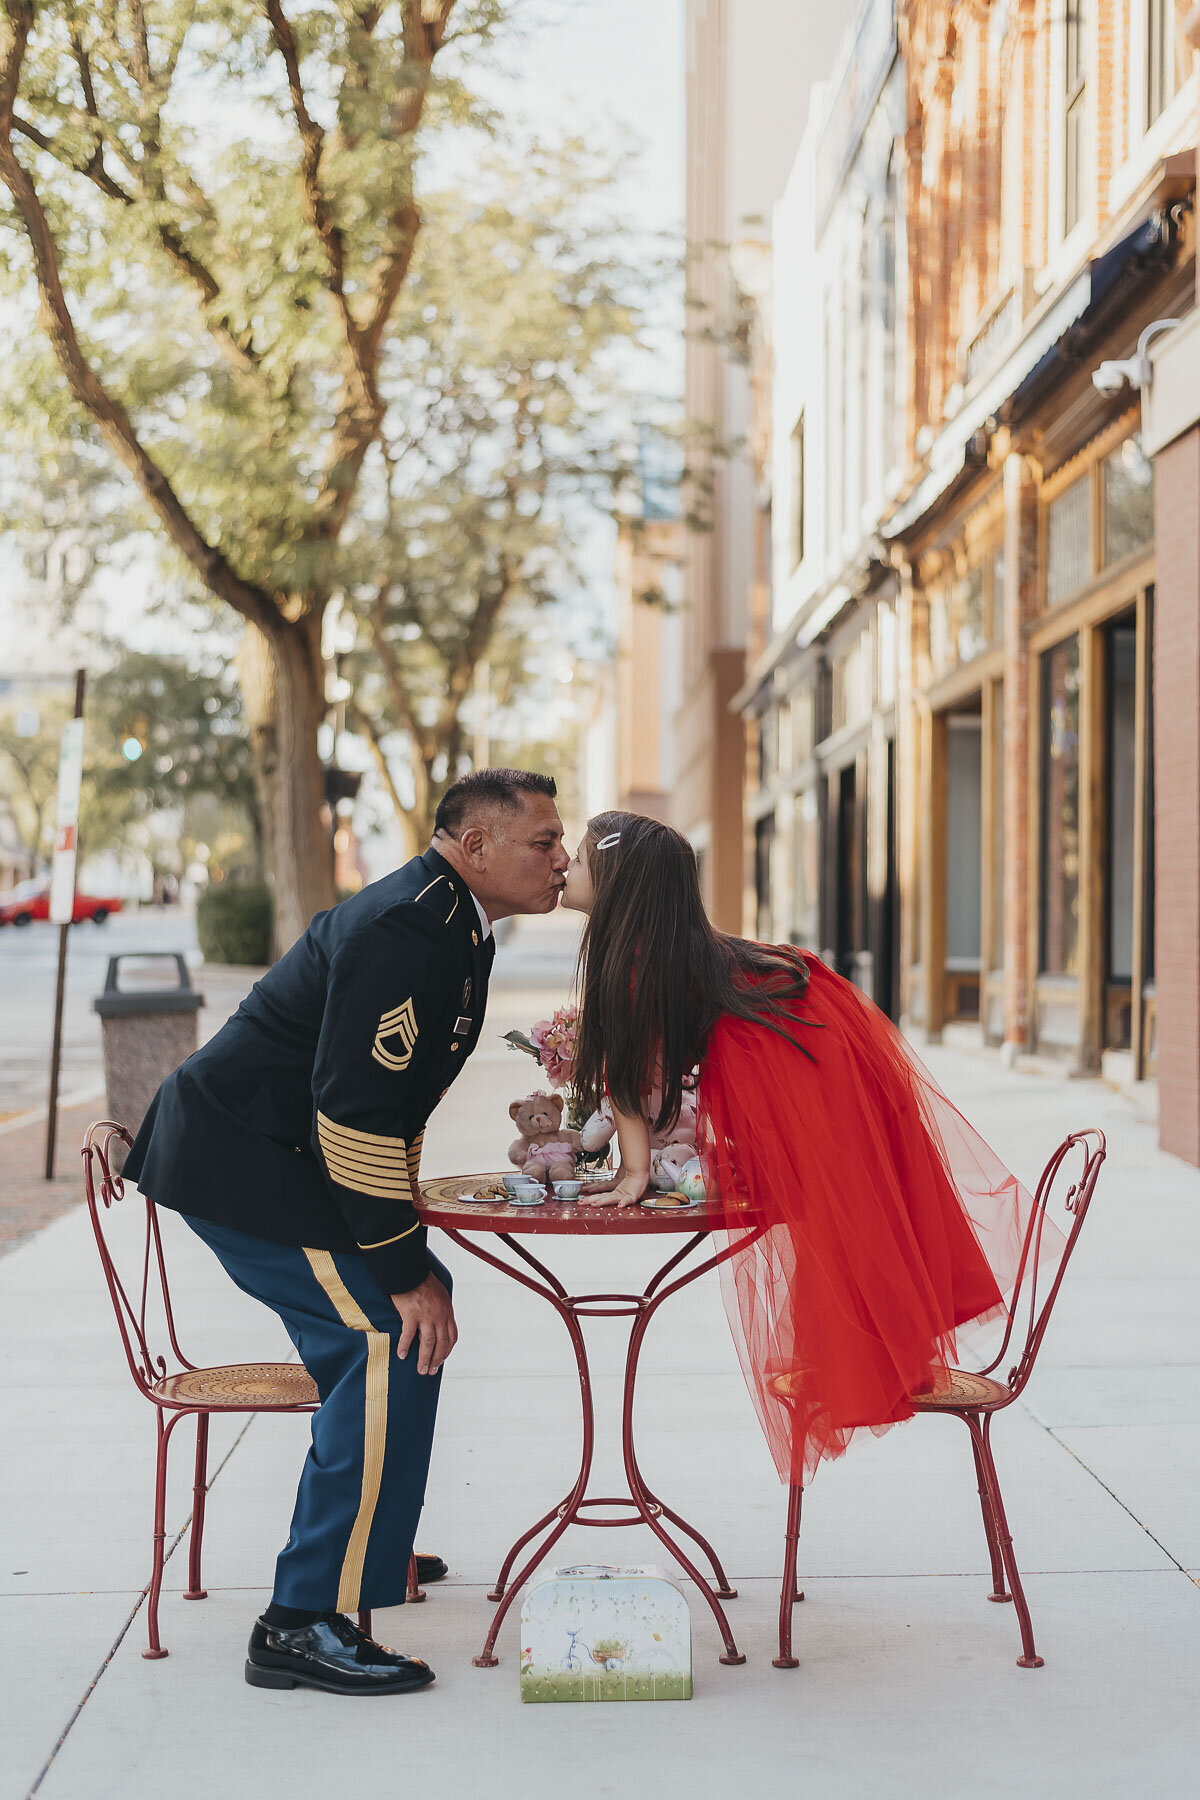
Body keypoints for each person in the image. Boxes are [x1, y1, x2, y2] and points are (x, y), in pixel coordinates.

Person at [123, 768, 569, 1695]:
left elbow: (390, 1109)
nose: (562, 860)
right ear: (474, 846)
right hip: (240, 1164)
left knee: (410, 1317)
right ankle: (297, 1621)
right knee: (382, 1332)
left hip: (286, 1164)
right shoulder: (409, 930)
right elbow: (356, 1113)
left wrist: (409, 1250)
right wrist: (403, 1264)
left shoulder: (455, 922)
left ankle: (376, 1551)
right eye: (544, 842)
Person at [560, 810, 1055, 1487]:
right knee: (851, 1197)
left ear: (615, 883)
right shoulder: (673, 948)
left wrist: (637, 1169)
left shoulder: (632, 960)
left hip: (791, 1053)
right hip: (806, 1020)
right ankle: (879, 1329)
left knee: (835, 1205)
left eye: (579, 859)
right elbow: (634, 1065)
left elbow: (623, 1064)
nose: (565, 864)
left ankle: (866, 1345)